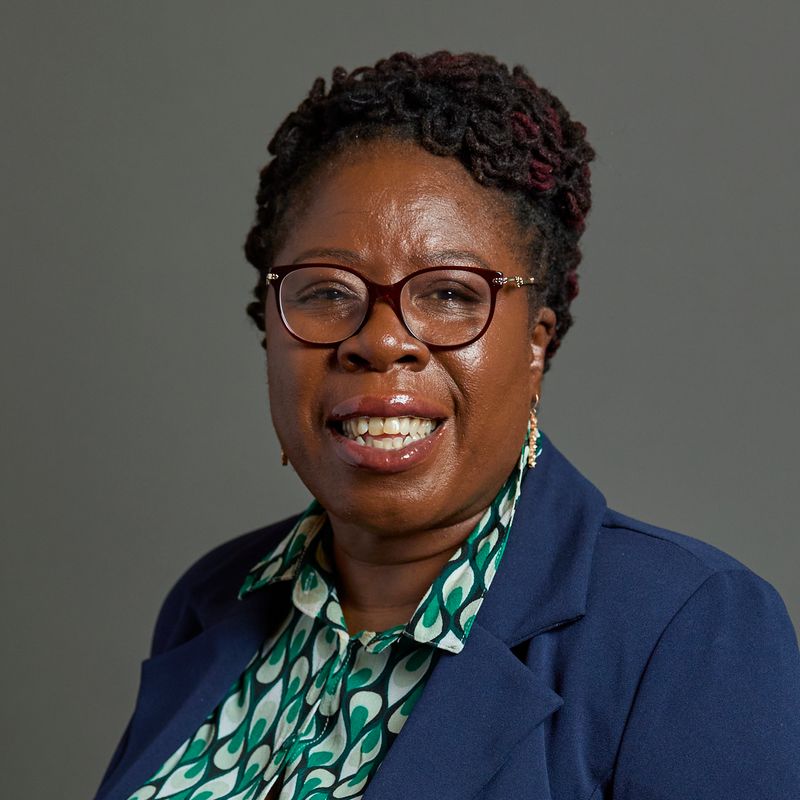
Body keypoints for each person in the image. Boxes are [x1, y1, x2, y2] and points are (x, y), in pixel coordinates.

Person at [93, 51, 800, 800]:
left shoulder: (686, 627)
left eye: (451, 294)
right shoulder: (210, 601)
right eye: (326, 292)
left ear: (536, 341)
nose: (379, 341)